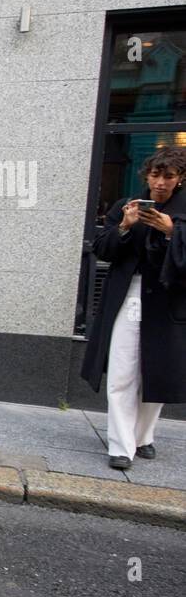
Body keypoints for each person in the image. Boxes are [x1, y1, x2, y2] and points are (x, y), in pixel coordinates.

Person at [80, 147, 186, 469]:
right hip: (129, 295)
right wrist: (125, 226)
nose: (161, 183)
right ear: (147, 176)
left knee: (157, 372)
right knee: (123, 370)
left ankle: (143, 436)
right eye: (156, 175)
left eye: (168, 176)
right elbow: (102, 249)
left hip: (168, 301)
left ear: (180, 179)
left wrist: (172, 232)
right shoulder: (128, 205)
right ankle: (121, 445)